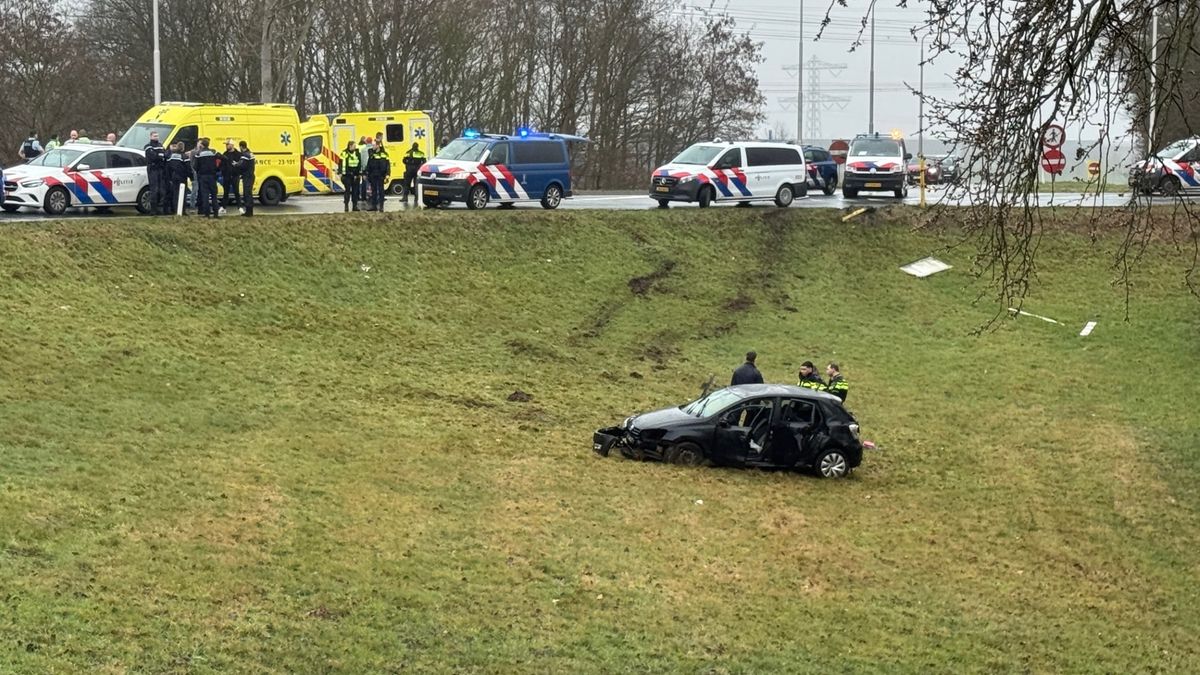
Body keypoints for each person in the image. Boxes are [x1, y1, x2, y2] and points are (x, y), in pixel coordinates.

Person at [193, 139, 221, 218]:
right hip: (212, 176)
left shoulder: (199, 154)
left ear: (202, 145)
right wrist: (217, 169)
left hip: (203, 177)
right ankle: (216, 213)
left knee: (205, 195)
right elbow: (221, 160)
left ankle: (207, 214)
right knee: (214, 195)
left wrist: (199, 171)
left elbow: (195, 166)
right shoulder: (213, 153)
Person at [143, 131, 168, 215]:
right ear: (150, 137)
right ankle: (153, 209)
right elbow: (153, 157)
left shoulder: (160, 145)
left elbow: (165, 155)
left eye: (157, 136)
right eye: (154, 136)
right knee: (154, 189)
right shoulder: (148, 146)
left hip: (161, 170)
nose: (156, 137)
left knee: (162, 190)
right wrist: (159, 156)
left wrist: (160, 156)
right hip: (153, 169)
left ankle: (160, 209)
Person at [166, 142, 189, 215]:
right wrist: (191, 177)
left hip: (174, 177)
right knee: (183, 194)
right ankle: (182, 211)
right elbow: (188, 168)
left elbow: (168, 167)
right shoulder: (184, 157)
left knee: (175, 194)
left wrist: (169, 177)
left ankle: (175, 210)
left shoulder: (172, 156)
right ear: (183, 148)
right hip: (182, 177)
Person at [366, 144, 390, 212]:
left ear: (378, 146)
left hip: (381, 175)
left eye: (374, 145)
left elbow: (388, 165)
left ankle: (381, 206)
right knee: (373, 191)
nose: (373, 147)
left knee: (381, 191)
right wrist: (367, 173)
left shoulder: (384, 154)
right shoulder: (372, 154)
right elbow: (369, 164)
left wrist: (387, 174)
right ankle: (374, 206)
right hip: (373, 174)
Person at [339, 140, 362, 212]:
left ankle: (355, 206)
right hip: (347, 175)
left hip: (356, 175)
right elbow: (341, 164)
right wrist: (341, 173)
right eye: (354, 146)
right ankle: (346, 206)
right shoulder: (344, 153)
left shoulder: (357, 153)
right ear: (350, 146)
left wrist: (359, 174)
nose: (355, 147)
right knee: (347, 191)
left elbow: (359, 163)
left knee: (355, 192)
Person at [235, 140, 255, 217]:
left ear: (241, 146)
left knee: (247, 194)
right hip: (251, 175)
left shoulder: (245, 155)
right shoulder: (250, 153)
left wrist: (236, 164)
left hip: (247, 176)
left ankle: (248, 212)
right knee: (249, 193)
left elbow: (242, 165)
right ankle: (250, 211)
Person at [221, 140, 241, 207]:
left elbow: (240, 164)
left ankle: (239, 206)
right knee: (225, 192)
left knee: (236, 192)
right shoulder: (225, 154)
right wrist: (223, 172)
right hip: (227, 176)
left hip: (235, 176)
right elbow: (222, 164)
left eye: (227, 144)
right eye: (226, 144)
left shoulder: (238, 154)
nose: (226, 146)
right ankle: (223, 207)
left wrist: (238, 172)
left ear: (232, 145)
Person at [358, 136, 373, 204]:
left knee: (366, 184)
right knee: (373, 183)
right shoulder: (374, 148)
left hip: (365, 169)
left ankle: (366, 196)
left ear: (366, 142)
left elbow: (362, 160)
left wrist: (362, 170)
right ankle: (373, 196)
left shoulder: (363, 149)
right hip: (373, 169)